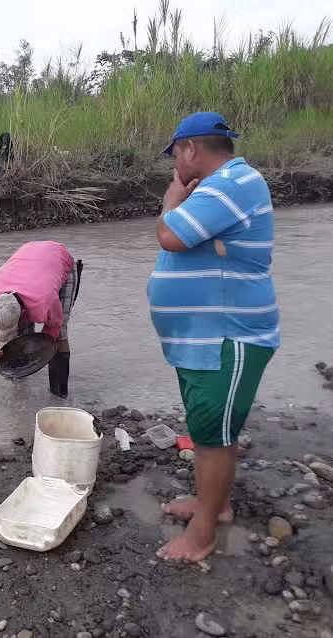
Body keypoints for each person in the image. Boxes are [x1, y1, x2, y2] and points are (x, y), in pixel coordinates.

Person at [148, 112, 279, 562]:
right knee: (208, 428)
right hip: (204, 340)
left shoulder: (231, 183)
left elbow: (169, 235)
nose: (174, 169)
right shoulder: (215, 191)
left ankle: (202, 535)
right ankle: (213, 504)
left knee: (214, 437)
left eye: (175, 157)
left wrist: (171, 199)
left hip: (227, 336)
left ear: (190, 149)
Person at [0, 241, 81, 397]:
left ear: (22, 312)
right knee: (19, 338)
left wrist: (40, 353)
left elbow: (54, 328)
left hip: (58, 260)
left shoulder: (44, 302)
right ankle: (20, 392)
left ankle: (59, 395)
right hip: (28, 255)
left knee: (60, 336)